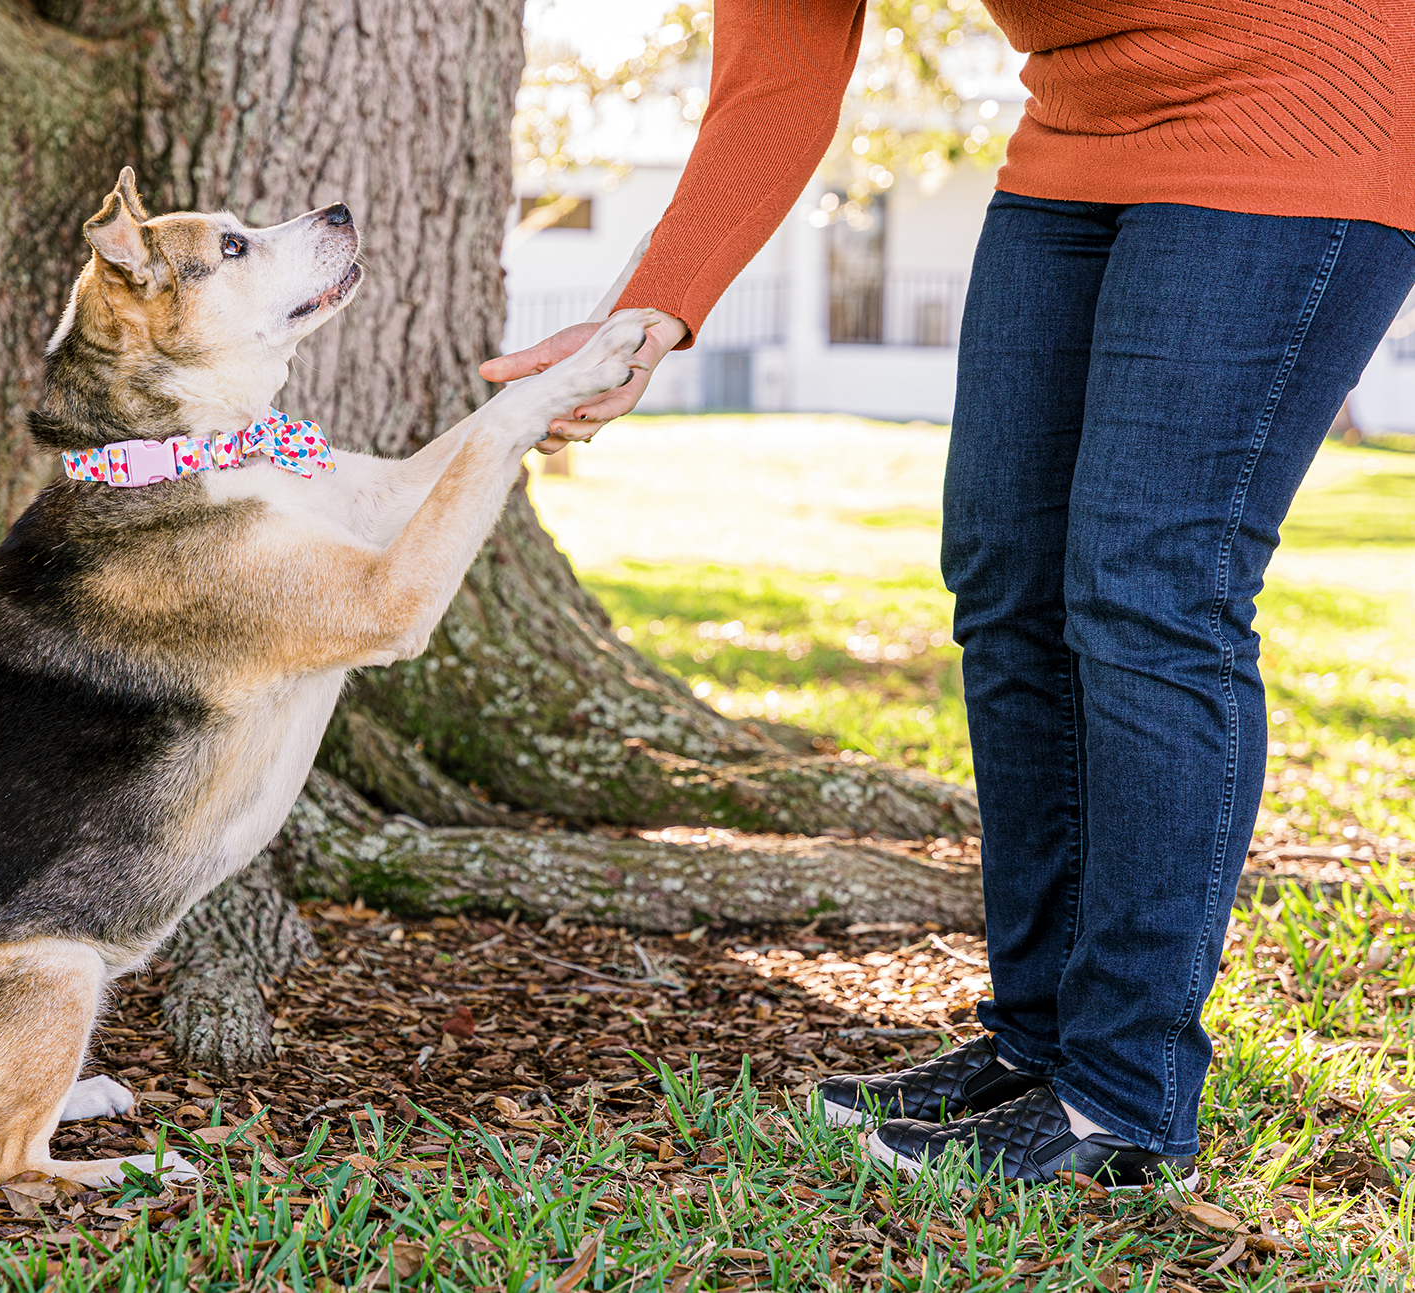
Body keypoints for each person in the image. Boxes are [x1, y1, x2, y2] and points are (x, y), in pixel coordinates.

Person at [483, 0, 1415, 1190]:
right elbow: (772, 82)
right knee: (1005, 582)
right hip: (1074, 132)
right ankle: (1036, 1047)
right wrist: (650, 312)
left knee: (1149, 591)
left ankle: (1125, 1101)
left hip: (1300, 100)